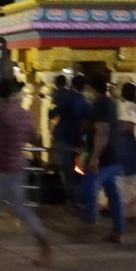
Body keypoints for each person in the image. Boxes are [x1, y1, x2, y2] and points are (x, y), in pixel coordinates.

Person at [0, 79, 51, 264]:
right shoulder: (24, 114)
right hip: (17, 166)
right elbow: (33, 138)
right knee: (22, 209)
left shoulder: (0, 115)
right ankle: (43, 243)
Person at [82, 73, 125, 243]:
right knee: (112, 193)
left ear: (92, 89)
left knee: (88, 188)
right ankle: (118, 230)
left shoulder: (99, 106)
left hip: (104, 157)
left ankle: (90, 223)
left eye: (88, 89)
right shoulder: (112, 104)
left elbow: (102, 132)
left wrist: (94, 158)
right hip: (115, 154)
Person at [49, 74, 88, 208]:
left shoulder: (67, 99)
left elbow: (52, 113)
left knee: (66, 172)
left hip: (63, 139)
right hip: (78, 141)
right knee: (78, 172)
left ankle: (72, 202)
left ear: (72, 85)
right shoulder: (85, 102)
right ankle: (80, 200)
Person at [116, 82, 136, 220]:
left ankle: (123, 210)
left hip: (124, 144)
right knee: (131, 178)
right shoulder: (131, 107)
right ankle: (130, 211)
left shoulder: (121, 105)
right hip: (131, 145)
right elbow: (130, 125)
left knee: (124, 178)